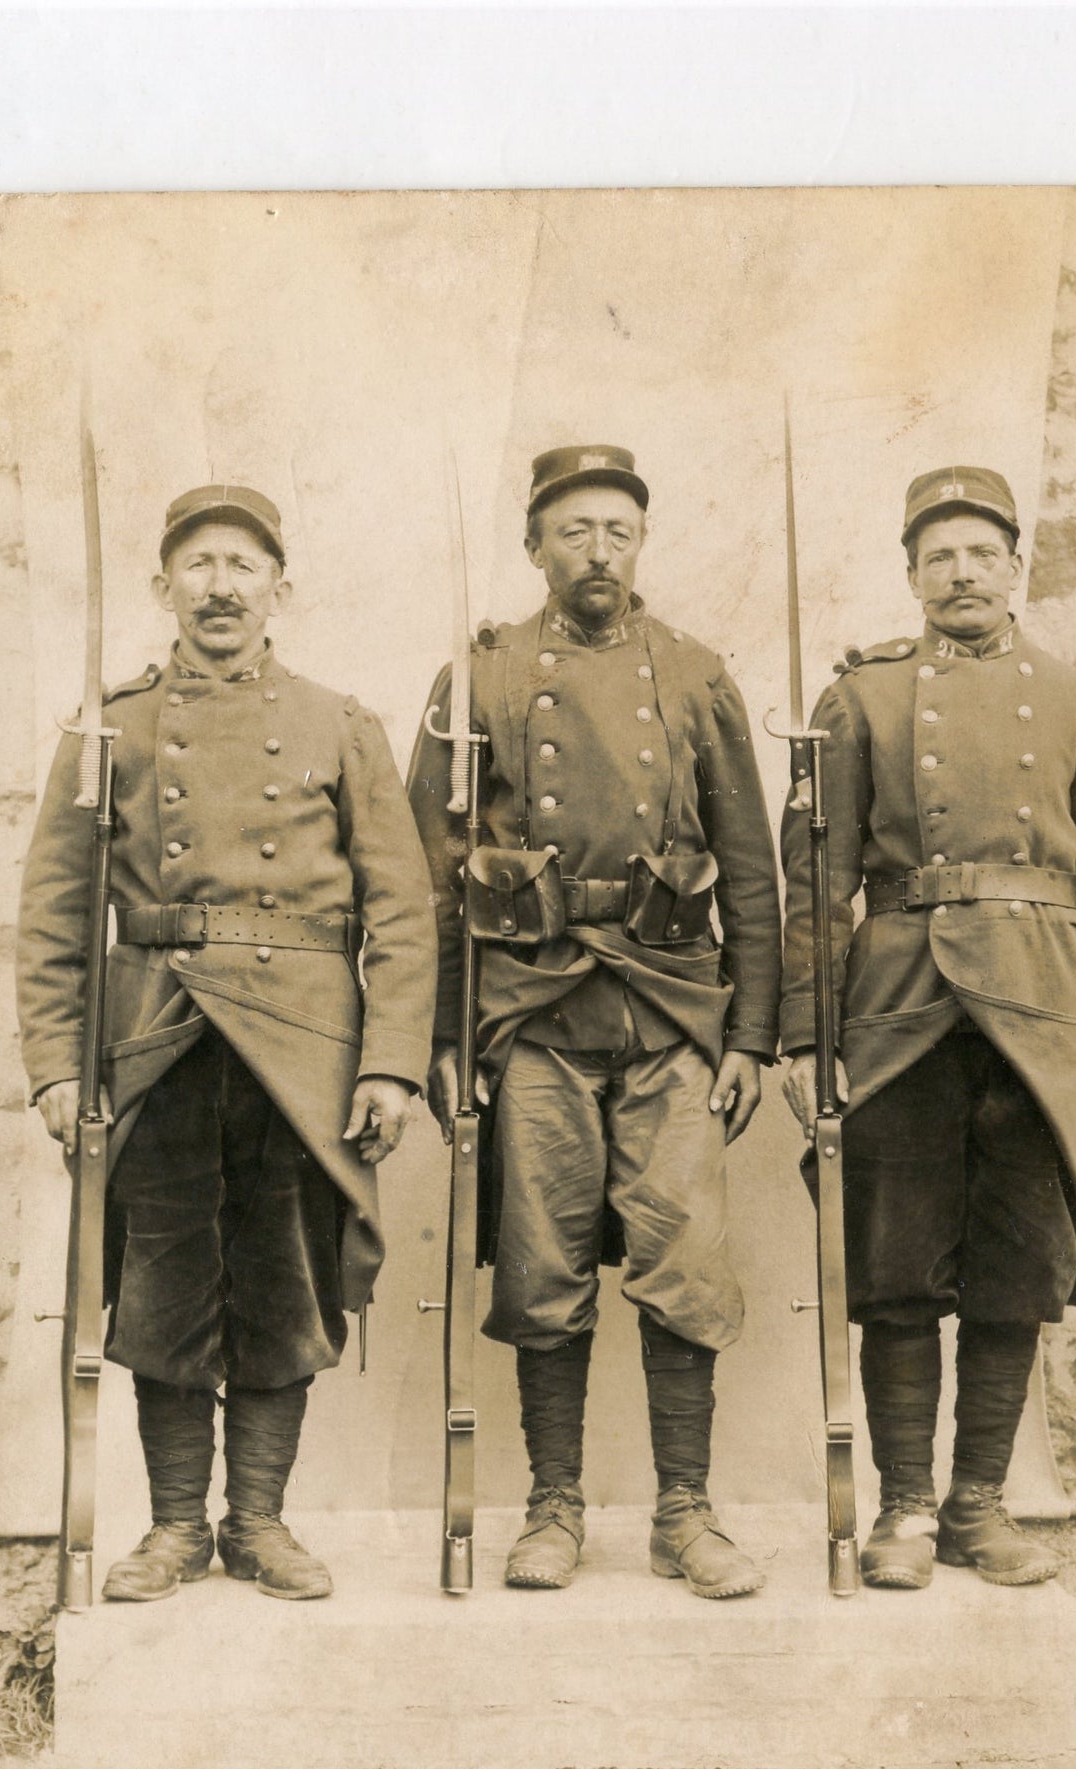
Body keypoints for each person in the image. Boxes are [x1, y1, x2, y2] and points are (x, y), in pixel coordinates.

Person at [17, 484, 436, 1602]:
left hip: (301, 1049)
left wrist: (391, 1060)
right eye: (196, 564)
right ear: (164, 586)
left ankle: (256, 1521)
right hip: (156, 1035)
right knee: (159, 1283)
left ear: (278, 588)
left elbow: (401, 909)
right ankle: (170, 1528)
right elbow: (57, 913)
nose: (218, 585)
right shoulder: (108, 727)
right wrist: (58, 1064)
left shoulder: (339, 724)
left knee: (281, 1280)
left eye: (241, 564)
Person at [408, 445, 782, 1597]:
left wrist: (751, 1033)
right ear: (533, 548)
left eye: (617, 528)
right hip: (531, 1008)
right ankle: (552, 1506)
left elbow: (750, 868)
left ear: (642, 541)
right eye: (573, 531)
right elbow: (425, 869)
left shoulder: (695, 674)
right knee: (539, 1258)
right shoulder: (477, 676)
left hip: (671, 1007)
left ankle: (684, 1510)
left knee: (683, 1258)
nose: (597, 551)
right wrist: (439, 1035)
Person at [780, 466, 1076, 1591]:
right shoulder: (860, 701)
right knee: (895, 1264)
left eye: (979, 551)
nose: (959, 571)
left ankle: (975, 1505)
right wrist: (807, 1033)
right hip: (899, 1006)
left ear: (1013, 568)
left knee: (1015, 1265)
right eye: (935, 554)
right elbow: (814, 884)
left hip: (1043, 1013)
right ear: (908, 574)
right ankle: (899, 1507)